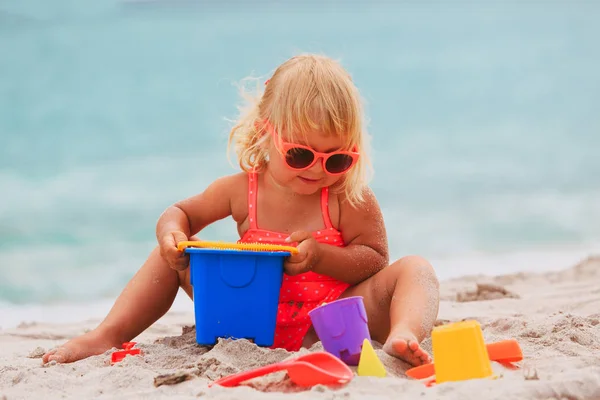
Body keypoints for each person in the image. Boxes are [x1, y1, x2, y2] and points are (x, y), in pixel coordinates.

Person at [43, 54, 439, 367]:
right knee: (174, 256)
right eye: (300, 154)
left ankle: (403, 335)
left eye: (337, 159)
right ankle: (107, 334)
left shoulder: (344, 195)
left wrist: (323, 257)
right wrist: (171, 237)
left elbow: (374, 259)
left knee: (415, 269)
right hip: (245, 321)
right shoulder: (240, 190)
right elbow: (179, 212)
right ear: (267, 132)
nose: (319, 169)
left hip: (329, 327)